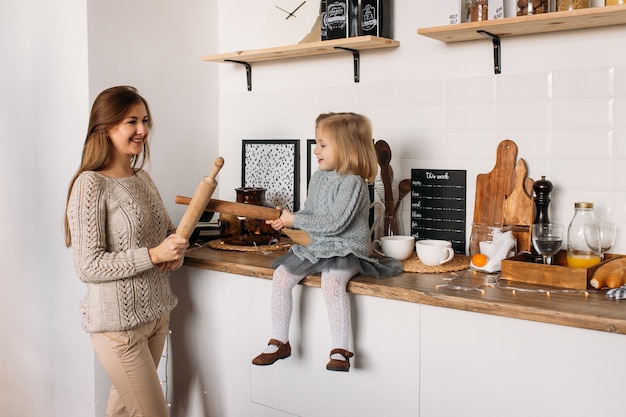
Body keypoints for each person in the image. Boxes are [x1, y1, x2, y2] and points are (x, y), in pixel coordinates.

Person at [64, 86, 188, 417]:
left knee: (122, 413)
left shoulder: (142, 178)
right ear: (105, 127)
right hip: (119, 328)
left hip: (156, 317)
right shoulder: (90, 184)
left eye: (145, 120)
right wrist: (154, 255)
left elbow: (166, 233)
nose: (142, 130)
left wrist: (176, 250)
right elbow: (88, 266)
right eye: (131, 121)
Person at [252, 112, 402, 372]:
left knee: (332, 283)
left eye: (322, 144)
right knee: (281, 276)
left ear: (346, 148)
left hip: (346, 248)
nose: (315, 150)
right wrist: (288, 219)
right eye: (316, 143)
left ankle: (341, 350)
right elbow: (310, 212)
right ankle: (280, 340)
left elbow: (335, 222)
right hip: (317, 245)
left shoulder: (353, 183)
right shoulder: (319, 177)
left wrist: (294, 221)